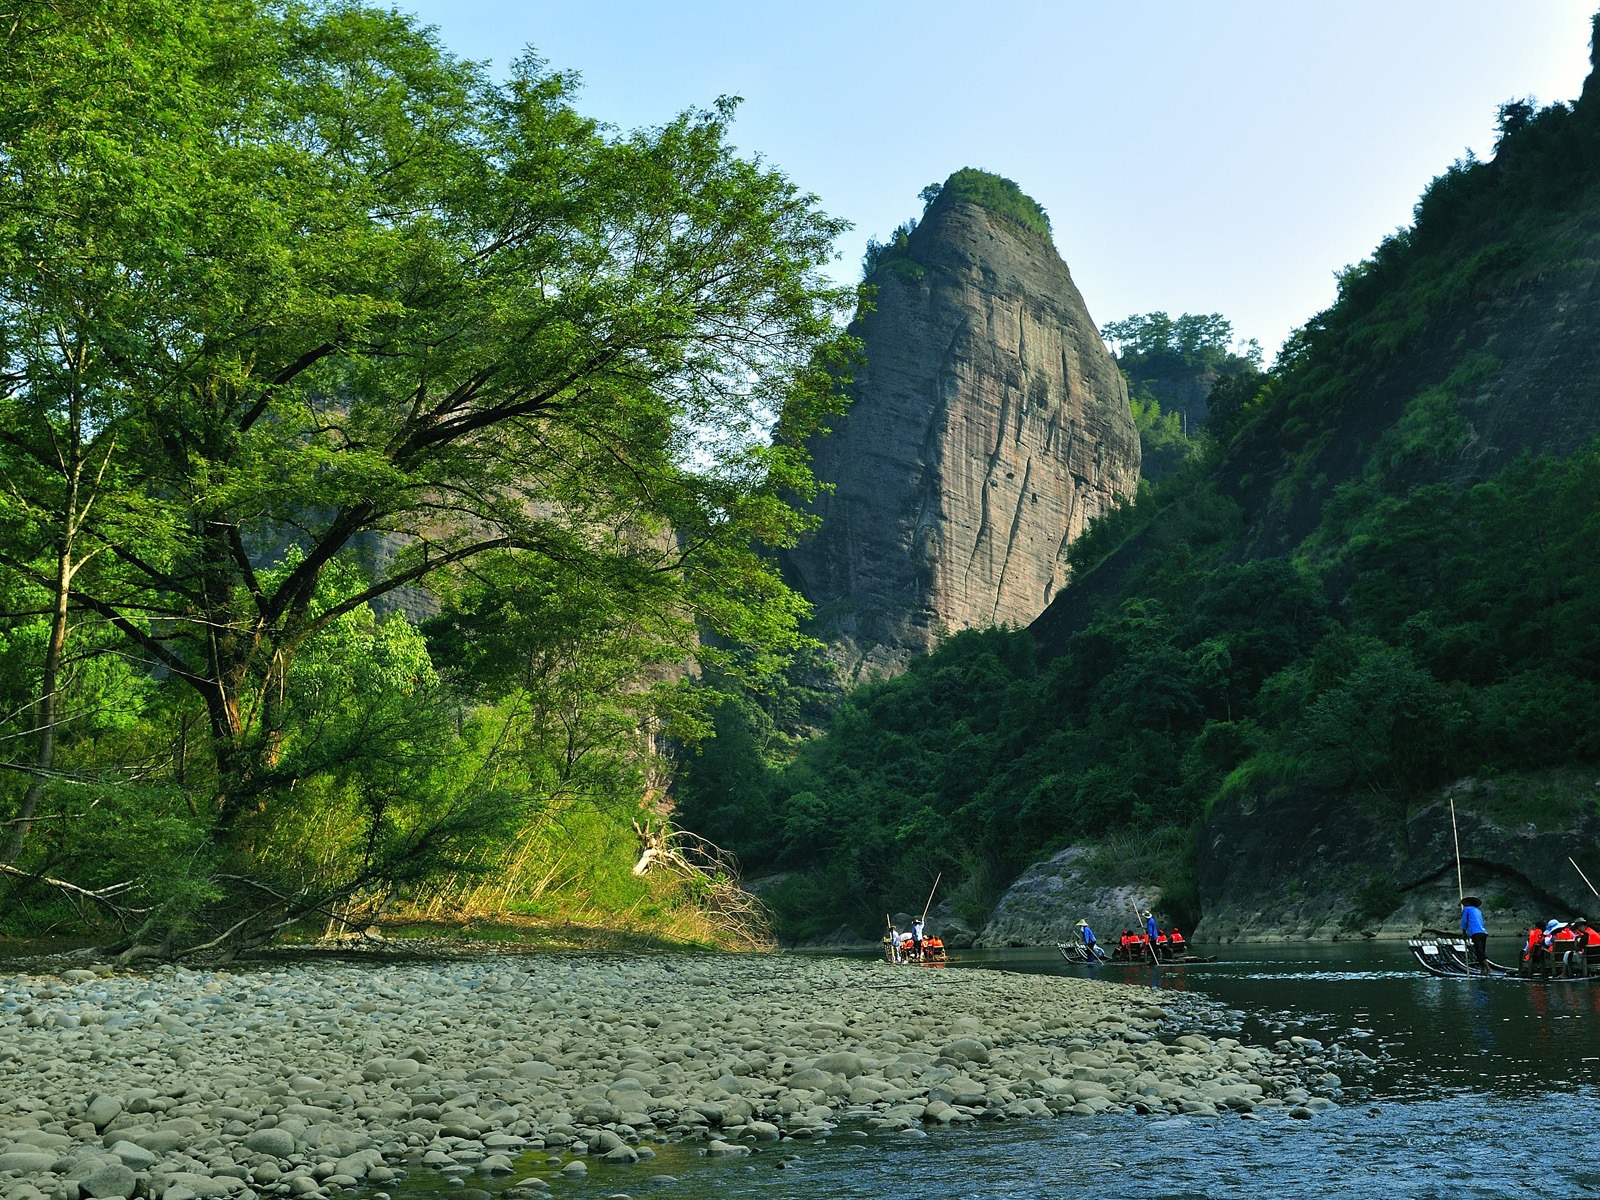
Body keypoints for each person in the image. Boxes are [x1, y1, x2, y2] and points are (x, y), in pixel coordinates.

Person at [1459, 896, 1489, 975]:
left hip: (1476, 933)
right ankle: (1483, 970)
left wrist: (1464, 931)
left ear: (1468, 903)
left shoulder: (1466, 909)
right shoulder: (1478, 911)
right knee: (1481, 951)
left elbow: (1464, 921)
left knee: (1479, 952)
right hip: (1483, 932)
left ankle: (1488, 969)